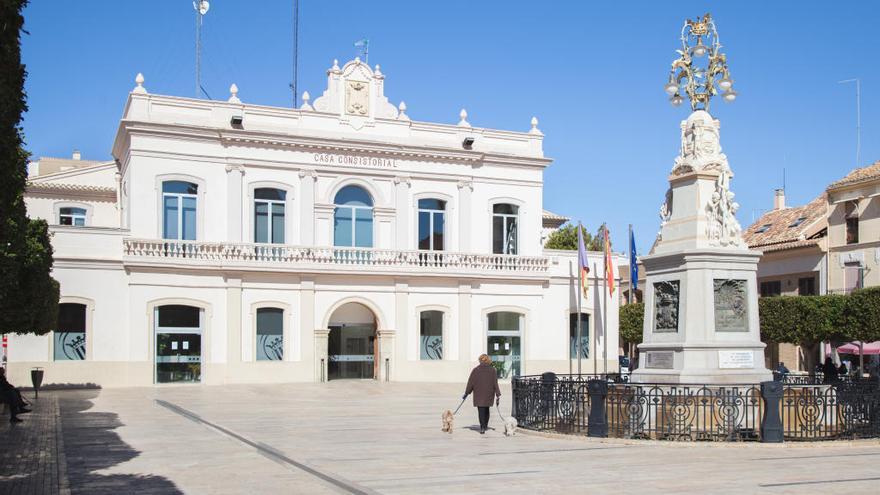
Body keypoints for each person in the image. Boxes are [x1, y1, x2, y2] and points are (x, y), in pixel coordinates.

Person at [463, 354, 501, 434]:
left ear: (480, 360)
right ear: (488, 360)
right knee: (486, 409)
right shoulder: (493, 370)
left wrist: (467, 392)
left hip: (479, 394)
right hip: (489, 393)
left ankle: (482, 427)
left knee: (481, 410)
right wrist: (498, 394)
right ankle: (485, 425)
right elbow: (495, 383)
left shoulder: (476, 370)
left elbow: (471, 383)